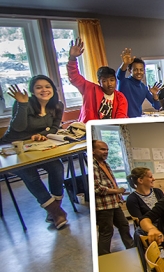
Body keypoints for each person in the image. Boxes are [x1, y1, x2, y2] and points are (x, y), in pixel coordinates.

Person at [0, 76, 67, 229]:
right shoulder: (23, 103)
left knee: (57, 166)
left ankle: (54, 210)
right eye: (38, 87)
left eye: (47, 86)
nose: (44, 90)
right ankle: (57, 213)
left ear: (53, 89)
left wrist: (41, 134)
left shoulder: (57, 105)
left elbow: (54, 127)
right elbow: (18, 128)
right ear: (32, 90)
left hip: (37, 146)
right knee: (29, 174)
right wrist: (22, 104)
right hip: (13, 147)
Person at [67, 38, 128, 122]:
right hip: (88, 129)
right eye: (105, 81)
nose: (109, 84)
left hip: (111, 130)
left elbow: (120, 118)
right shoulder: (89, 89)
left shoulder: (120, 97)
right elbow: (74, 77)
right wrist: (72, 58)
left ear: (116, 81)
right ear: (99, 82)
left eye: (112, 80)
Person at [93, 140, 134, 255]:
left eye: (107, 149)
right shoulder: (93, 165)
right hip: (103, 206)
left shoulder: (104, 163)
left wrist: (118, 194)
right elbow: (96, 187)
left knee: (124, 225)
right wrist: (117, 191)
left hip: (113, 203)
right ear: (93, 151)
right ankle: (103, 256)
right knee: (107, 232)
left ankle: (132, 248)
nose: (106, 152)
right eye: (102, 149)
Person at [116, 48, 161, 117]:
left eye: (141, 70)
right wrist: (125, 64)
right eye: (135, 70)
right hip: (123, 119)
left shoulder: (144, 87)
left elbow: (157, 106)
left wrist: (155, 94)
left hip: (137, 119)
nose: (139, 72)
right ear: (129, 70)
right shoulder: (124, 82)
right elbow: (119, 76)